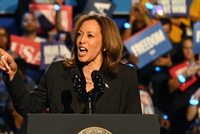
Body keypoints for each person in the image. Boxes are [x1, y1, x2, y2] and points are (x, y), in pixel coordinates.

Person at [0, 14, 141, 117]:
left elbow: (134, 123)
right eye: (79, 34)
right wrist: (12, 75)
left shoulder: (125, 75)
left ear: (105, 44)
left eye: (90, 36)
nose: (81, 40)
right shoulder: (57, 72)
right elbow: (28, 107)